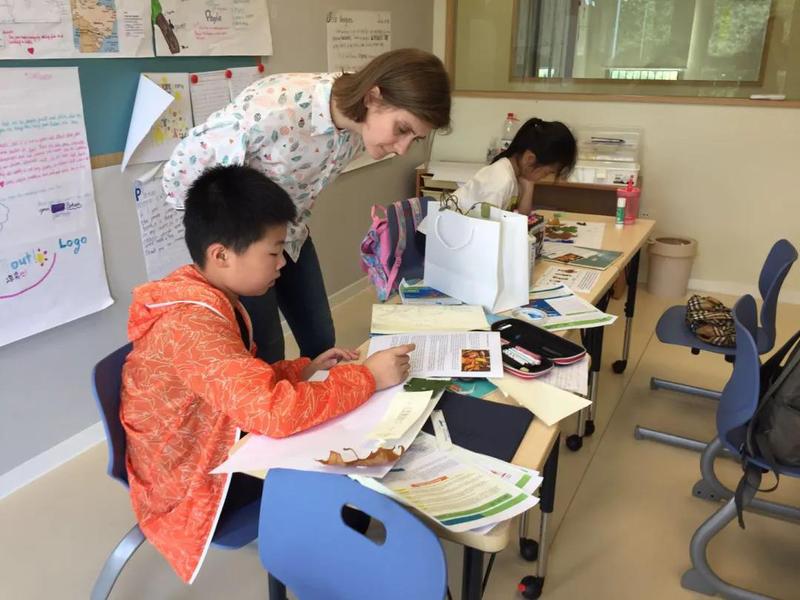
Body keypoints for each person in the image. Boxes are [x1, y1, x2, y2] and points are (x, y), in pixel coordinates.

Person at [122, 165, 414, 583]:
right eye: (273, 253)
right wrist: (367, 378)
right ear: (221, 255)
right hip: (191, 480)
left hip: (210, 437)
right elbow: (272, 413)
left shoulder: (208, 295)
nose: (282, 264)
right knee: (340, 460)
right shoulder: (192, 326)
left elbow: (238, 378)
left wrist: (301, 369)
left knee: (334, 428)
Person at [163, 48, 452, 363]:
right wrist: (233, 238)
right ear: (373, 97)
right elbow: (180, 174)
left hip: (292, 235)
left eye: (415, 138)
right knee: (267, 351)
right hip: (246, 247)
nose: (403, 148)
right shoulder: (275, 109)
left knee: (321, 338)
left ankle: (321, 391)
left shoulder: (358, 126)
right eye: (403, 129)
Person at [450, 118, 576, 216]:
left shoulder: (514, 173)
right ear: (529, 159)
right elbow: (484, 228)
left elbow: (521, 219)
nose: (544, 177)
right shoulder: (501, 180)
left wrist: (529, 185)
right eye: (548, 172)